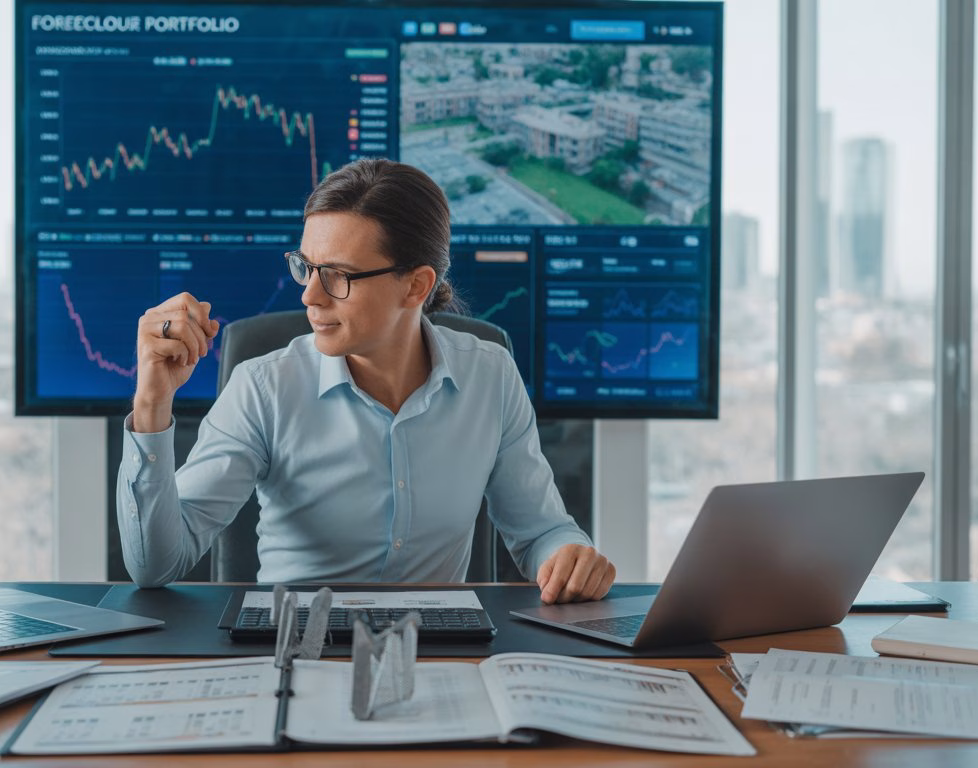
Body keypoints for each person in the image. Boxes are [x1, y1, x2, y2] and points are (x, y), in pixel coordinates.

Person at [118, 157, 615, 604]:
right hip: (292, 652)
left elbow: (541, 532)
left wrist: (570, 555)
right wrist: (151, 403)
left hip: (438, 657)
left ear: (416, 285)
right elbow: (157, 565)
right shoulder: (263, 388)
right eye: (306, 268)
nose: (310, 296)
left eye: (337, 275)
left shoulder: (491, 375)